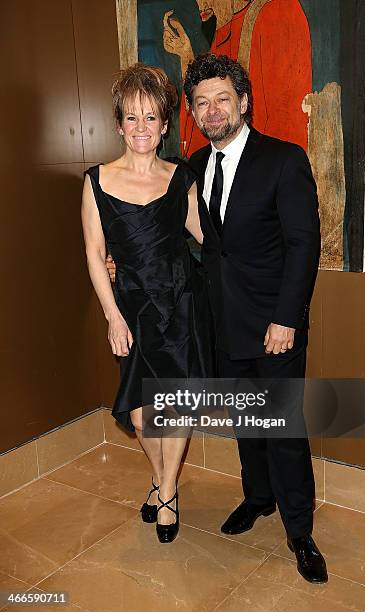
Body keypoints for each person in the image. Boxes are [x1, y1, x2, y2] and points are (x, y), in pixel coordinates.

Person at [106, 54, 328, 583]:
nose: (211, 111)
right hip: (219, 321)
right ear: (192, 113)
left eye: (222, 99)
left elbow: (303, 246)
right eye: (201, 103)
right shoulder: (193, 170)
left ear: (243, 102)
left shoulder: (283, 159)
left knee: (283, 429)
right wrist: (123, 260)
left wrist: (287, 319)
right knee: (247, 426)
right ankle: (258, 500)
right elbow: (176, 238)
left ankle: (301, 532)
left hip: (275, 325)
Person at [81, 63, 213, 544]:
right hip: (131, 311)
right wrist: (112, 316)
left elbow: (205, 238)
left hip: (180, 304)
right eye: (132, 118)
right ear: (119, 124)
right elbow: (95, 254)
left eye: (151, 118)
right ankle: (162, 482)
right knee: (141, 413)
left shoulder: (182, 178)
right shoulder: (97, 181)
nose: (142, 128)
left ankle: (167, 491)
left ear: (164, 124)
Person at [163, 0, 311, 157]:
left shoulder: (278, 11)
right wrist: (186, 55)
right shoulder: (226, 29)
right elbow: (202, 144)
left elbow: (284, 123)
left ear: (244, 102)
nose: (202, 5)